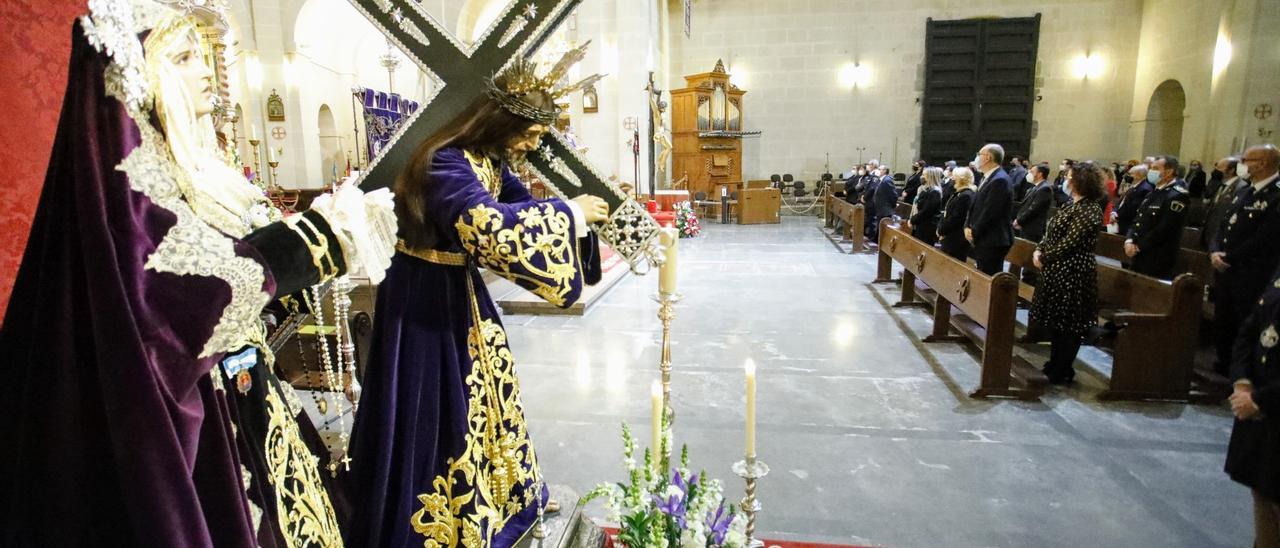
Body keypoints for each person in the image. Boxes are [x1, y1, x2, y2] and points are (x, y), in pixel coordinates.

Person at [0, 8, 395, 546]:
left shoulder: (190, 169)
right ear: (140, 74)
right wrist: (314, 239)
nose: (207, 72)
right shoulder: (131, 188)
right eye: (184, 58)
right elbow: (170, 304)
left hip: (248, 389)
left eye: (203, 56)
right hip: (200, 412)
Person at [345, 52, 610, 548]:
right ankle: (442, 521)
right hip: (422, 300)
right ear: (501, 121)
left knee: (490, 393)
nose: (533, 145)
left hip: (458, 291)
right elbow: (487, 228)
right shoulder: (445, 161)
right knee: (438, 407)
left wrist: (570, 218)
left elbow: (521, 208)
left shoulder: (487, 161)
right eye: (529, 135)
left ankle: (507, 496)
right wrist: (569, 214)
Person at [1029, 162, 1106, 384]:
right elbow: (1050, 232)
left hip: (1073, 273)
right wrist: (1039, 248)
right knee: (1056, 322)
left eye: (1069, 177)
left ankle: (1062, 367)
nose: (1066, 180)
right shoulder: (1072, 205)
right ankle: (1055, 362)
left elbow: (1071, 243)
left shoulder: (1090, 209)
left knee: (1069, 324)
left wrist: (1044, 257)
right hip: (1056, 271)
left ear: (1081, 181)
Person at [1210, 145, 1280, 378]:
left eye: (1246, 159)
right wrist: (1215, 251)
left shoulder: (1276, 194)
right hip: (1226, 268)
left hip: (1251, 271)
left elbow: (1264, 238)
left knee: (1244, 320)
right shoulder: (1244, 191)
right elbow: (1223, 224)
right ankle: (1224, 362)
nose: (1243, 164)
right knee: (1224, 317)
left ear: (1262, 163)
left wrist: (1228, 256)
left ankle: (1241, 372)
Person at [1225, 264, 1280, 548]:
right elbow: (1252, 327)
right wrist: (1242, 382)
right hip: (1260, 408)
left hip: (1270, 403)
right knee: (1262, 492)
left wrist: (1259, 400)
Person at [1124, 155, 1190, 279]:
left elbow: (1165, 228)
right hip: (1139, 253)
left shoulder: (1177, 196)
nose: (1151, 171)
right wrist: (1129, 240)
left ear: (1169, 171)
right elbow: (1138, 219)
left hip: (1157, 255)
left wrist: (1139, 246)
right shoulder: (1153, 193)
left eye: (1155, 168)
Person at [965, 143, 1015, 275]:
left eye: (979, 155)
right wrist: (967, 226)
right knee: (981, 274)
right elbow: (975, 206)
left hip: (993, 239)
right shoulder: (987, 177)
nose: (977, 158)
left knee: (988, 277)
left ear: (988, 157)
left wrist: (974, 232)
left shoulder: (1000, 180)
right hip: (984, 237)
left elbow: (991, 212)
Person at [939, 167, 976, 261]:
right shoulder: (959, 193)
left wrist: (942, 230)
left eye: (954, 177)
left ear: (962, 179)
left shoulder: (966, 195)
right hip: (949, 235)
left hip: (956, 238)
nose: (952, 179)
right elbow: (946, 213)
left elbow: (956, 218)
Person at [1015, 163, 1054, 244]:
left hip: (1033, 228)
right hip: (1026, 226)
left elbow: (1033, 209)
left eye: (1032, 172)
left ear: (1040, 174)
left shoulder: (1045, 188)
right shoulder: (1036, 187)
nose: (1029, 174)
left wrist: (1019, 221)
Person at [1114, 164, 1152, 235]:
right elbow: (1121, 201)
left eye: (1130, 174)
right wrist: (1114, 212)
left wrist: (1117, 216)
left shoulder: (1145, 189)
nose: (1128, 176)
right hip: (1119, 221)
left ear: (1139, 175)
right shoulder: (1133, 186)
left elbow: (1133, 208)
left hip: (1128, 224)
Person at [910, 167, 944, 245]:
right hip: (922, 224)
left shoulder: (935, 192)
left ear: (930, 177)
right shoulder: (928, 189)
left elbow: (926, 211)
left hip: (927, 227)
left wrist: (912, 220)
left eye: (924, 175)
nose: (922, 177)